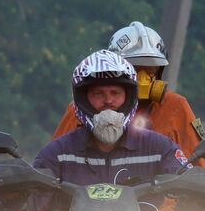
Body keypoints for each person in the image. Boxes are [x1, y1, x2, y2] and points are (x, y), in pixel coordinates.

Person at [52, 22, 205, 211]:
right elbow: (46, 176)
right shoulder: (81, 110)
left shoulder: (174, 109)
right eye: (134, 68)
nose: (142, 78)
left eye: (149, 71)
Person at [34, 49, 190, 186]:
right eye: (98, 94)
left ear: (129, 97)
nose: (108, 101)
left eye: (115, 93)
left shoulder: (160, 149)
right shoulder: (57, 154)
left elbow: (191, 186)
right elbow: (31, 201)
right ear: (83, 100)